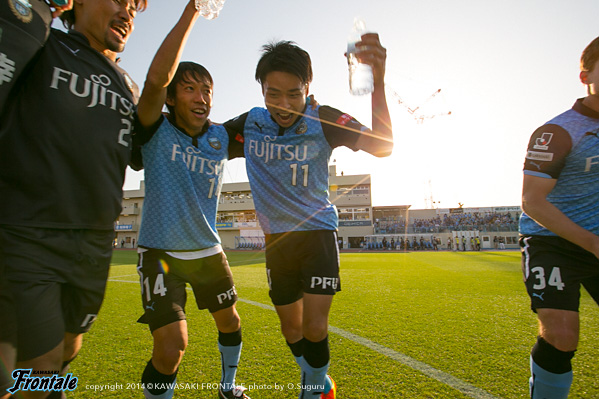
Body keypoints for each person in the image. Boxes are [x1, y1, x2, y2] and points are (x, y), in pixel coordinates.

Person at [224, 36, 392, 398]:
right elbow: (201, 141)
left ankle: (314, 391)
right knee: (291, 330)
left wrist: (378, 80)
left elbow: (383, 145)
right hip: (276, 241)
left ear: (308, 88)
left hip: (317, 234)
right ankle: (318, 379)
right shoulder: (249, 125)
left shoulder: (324, 118)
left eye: (293, 94)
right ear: (261, 90)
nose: (283, 105)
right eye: (273, 94)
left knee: (315, 328)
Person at [0, 1, 147, 398]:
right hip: (29, 231)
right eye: (119, 0)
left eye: (135, 6)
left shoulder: (127, 85)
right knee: (40, 368)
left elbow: (135, 152)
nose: (128, 12)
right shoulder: (43, 42)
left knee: (68, 346)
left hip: (95, 242)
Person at [132, 2, 249, 398]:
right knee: (171, 350)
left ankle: (228, 388)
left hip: (208, 252)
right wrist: (192, 12)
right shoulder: (155, 127)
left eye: (207, 90)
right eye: (190, 88)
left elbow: (266, 123)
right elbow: (153, 82)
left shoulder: (220, 137)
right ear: (170, 98)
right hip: (161, 254)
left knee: (230, 322)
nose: (202, 97)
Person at [519, 36, 599, 399]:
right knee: (562, 335)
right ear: (585, 76)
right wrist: (592, 242)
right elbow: (532, 202)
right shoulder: (558, 132)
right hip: (553, 242)